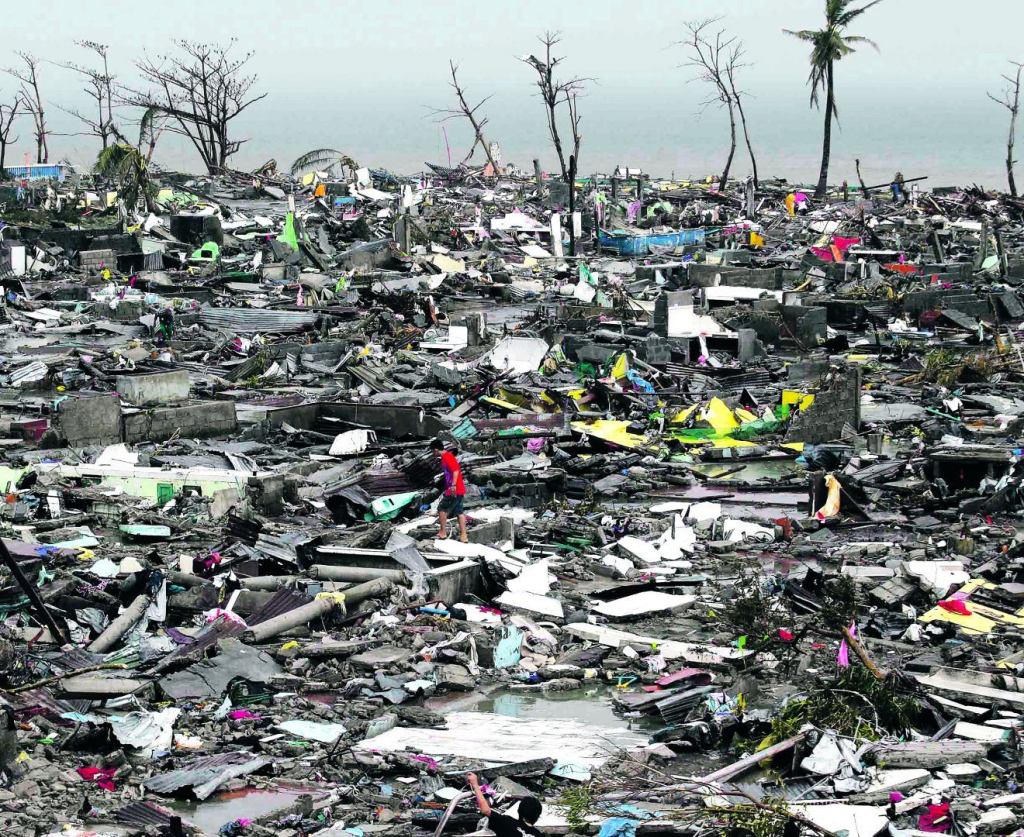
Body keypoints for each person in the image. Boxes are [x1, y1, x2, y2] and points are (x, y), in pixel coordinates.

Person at [466, 772, 542, 837]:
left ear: (519, 810)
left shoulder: (508, 823)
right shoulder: (539, 835)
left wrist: (475, 785)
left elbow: (485, 810)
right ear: (537, 815)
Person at [431, 439, 467, 542]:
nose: (433, 454)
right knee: (459, 511)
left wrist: (453, 485)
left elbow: (455, 471)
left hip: (453, 489)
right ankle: (464, 536)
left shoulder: (447, 457)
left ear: (436, 450)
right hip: (458, 489)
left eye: (433, 451)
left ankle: (442, 533)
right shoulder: (446, 457)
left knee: (441, 508)